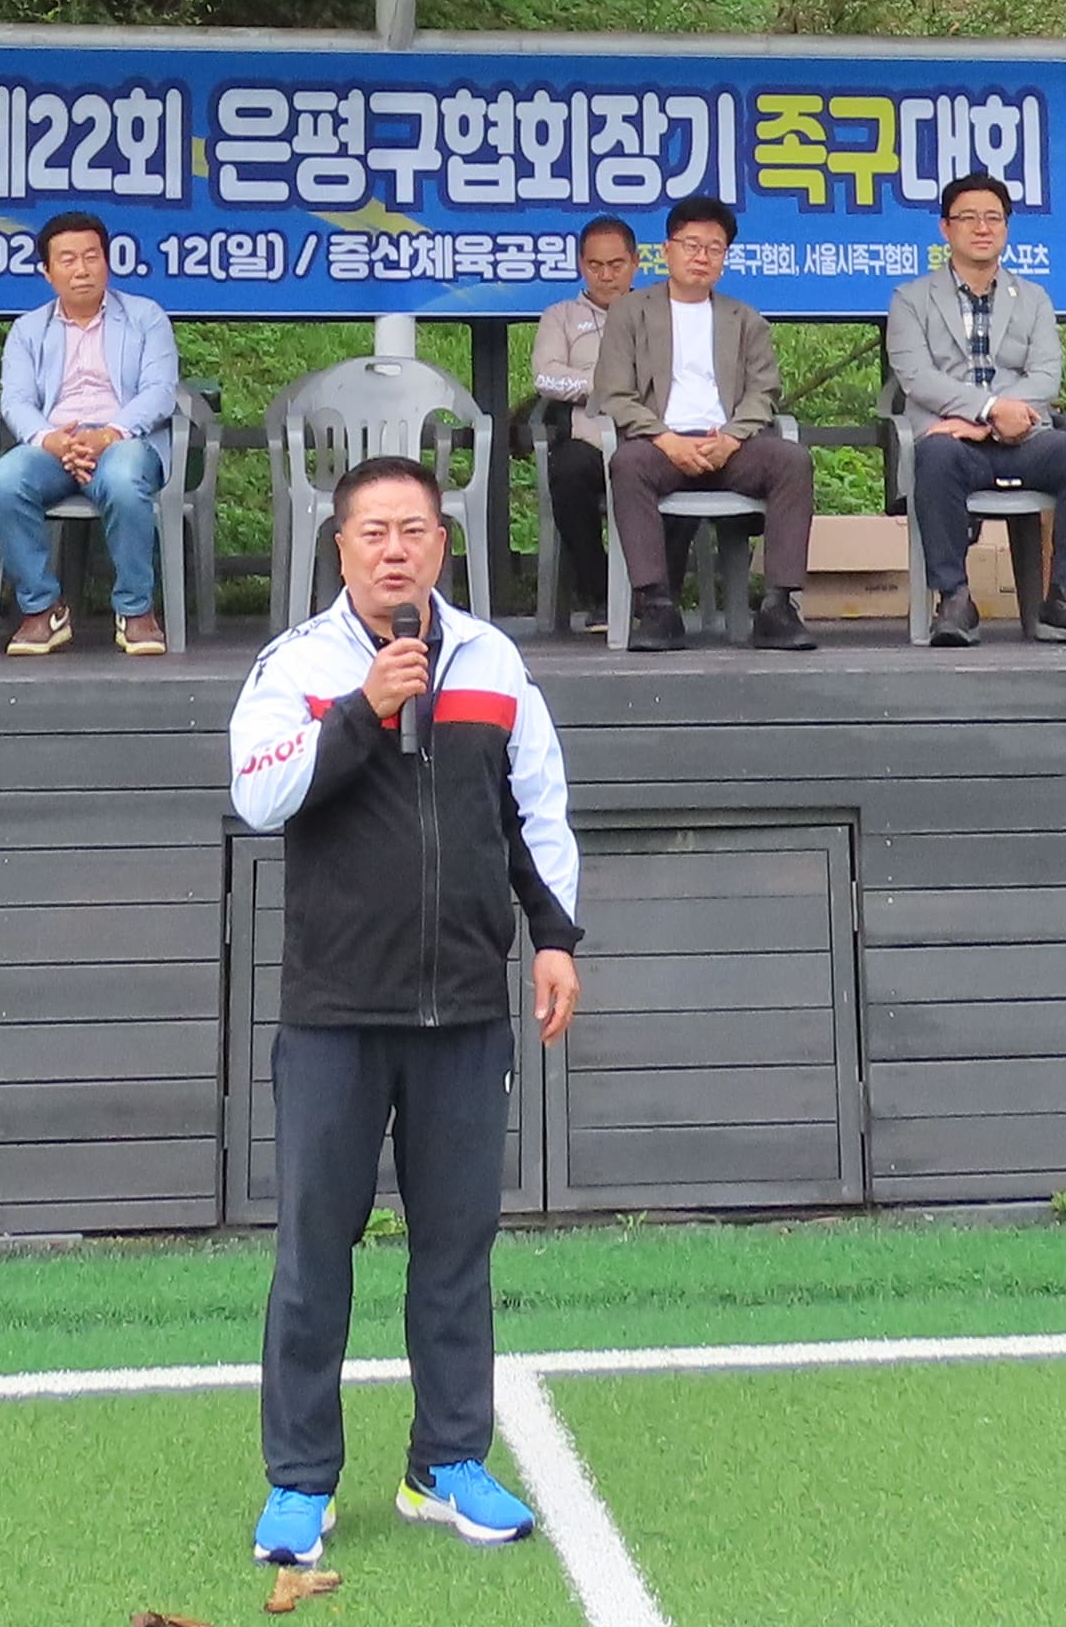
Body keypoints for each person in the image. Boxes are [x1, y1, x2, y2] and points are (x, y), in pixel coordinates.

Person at [226, 452, 581, 1572]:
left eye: (414, 531)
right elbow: (258, 793)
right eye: (373, 532)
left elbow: (534, 812)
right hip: (336, 1011)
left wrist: (556, 938)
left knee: (456, 1250)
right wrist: (363, 712)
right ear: (340, 548)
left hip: (467, 1010)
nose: (395, 551)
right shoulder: (296, 665)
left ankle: (446, 1464)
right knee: (313, 1255)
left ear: (441, 544)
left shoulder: (493, 661)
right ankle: (300, 1479)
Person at [884, 172, 1066, 646]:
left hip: (1024, 438)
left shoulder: (1033, 298)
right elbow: (917, 378)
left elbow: (1046, 376)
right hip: (953, 442)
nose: (982, 228)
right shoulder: (910, 299)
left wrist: (993, 423)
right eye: (968, 218)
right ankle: (954, 599)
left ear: (1007, 228)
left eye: (993, 218)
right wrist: (990, 410)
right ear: (945, 228)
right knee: (935, 456)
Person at [588, 194, 816, 651]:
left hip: (728, 446)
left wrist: (731, 438)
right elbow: (614, 392)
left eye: (714, 248)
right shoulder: (631, 312)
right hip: (661, 445)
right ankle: (656, 607)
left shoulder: (744, 319)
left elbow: (764, 391)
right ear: (666, 250)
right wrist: (665, 439)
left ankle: (778, 606)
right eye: (691, 245)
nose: (701, 257)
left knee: (792, 461)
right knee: (627, 465)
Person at [0, 211, 184, 655]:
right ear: (47, 272)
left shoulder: (145, 318)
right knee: (6, 481)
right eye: (68, 260)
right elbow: (16, 400)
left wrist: (110, 433)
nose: (82, 269)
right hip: (55, 442)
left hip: (124, 440)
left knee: (123, 480)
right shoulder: (27, 329)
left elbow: (160, 391)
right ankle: (42, 609)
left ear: (107, 262)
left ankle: (135, 610)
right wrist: (50, 439)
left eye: (92, 257)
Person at [524, 213, 640, 634]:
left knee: (681, 472)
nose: (606, 276)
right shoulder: (561, 316)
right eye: (595, 265)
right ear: (581, 265)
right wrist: (601, 385)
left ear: (635, 263)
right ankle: (601, 594)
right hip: (588, 439)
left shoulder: (659, 313)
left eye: (616, 265)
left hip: (649, 438)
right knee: (567, 472)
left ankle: (652, 594)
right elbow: (546, 377)